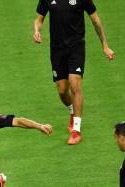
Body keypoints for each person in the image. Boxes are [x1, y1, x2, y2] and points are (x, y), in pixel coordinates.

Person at [33, 0, 114, 145]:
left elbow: (95, 20)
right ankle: (72, 110)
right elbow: (39, 19)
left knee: (75, 84)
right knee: (62, 91)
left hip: (76, 48)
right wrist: (37, 31)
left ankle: (76, 131)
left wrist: (105, 45)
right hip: (57, 50)